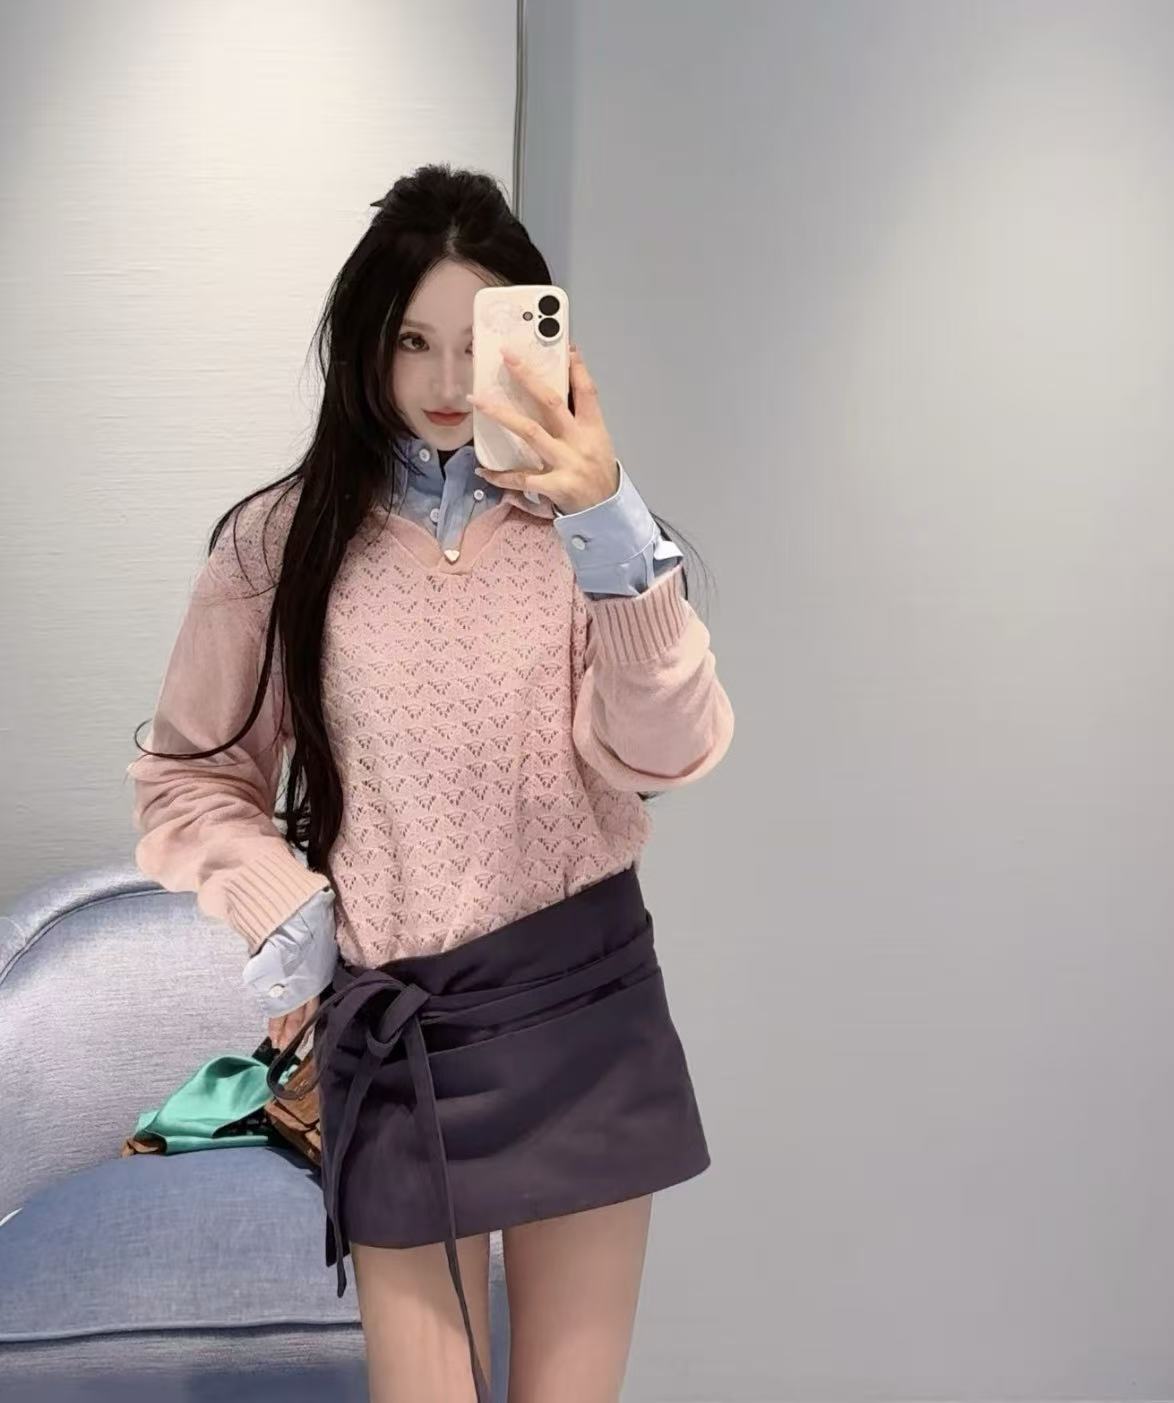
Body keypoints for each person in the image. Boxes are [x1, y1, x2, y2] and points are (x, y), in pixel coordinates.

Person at [126, 162, 734, 1403]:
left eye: (478, 341)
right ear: (366, 342)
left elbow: (667, 749)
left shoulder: (591, 540)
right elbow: (191, 774)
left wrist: (609, 518)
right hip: (402, 1033)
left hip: (583, 1007)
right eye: (413, 340)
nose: (449, 379)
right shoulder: (278, 544)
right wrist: (285, 910)